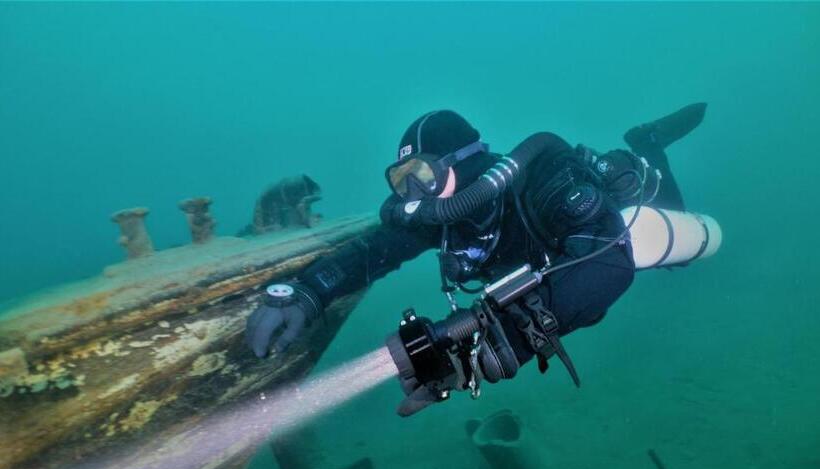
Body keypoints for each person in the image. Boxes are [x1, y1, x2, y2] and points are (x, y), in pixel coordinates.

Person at [245, 104, 708, 415]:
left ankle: (648, 142)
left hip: (618, 224)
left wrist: (502, 343)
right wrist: (308, 291)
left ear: (463, 160)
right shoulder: (442, 217)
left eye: (423, 174)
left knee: (671, 246)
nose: (413, 193)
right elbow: (376, 250)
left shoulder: (545, 180)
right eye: (402, 180)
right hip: (542, 279)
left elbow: (610, 268)